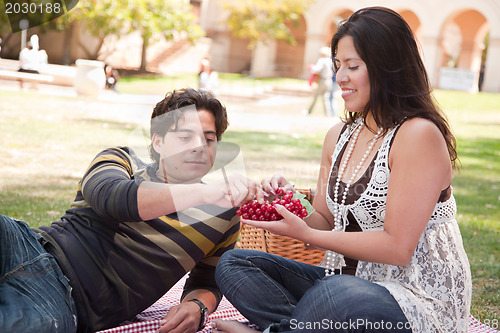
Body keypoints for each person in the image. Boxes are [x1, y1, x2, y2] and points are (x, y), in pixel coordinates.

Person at [214, 7, 471, 333]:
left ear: (388, 68)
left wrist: (309, 236)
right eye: (338, 65)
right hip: (345, 281)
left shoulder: (418, 135)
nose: (340, 77)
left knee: (337, 296)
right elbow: (323, 219)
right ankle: (304, 326)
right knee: (236, 264)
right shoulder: (339, 136)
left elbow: (397, 248)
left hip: (414, 297)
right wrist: (287, 201)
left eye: (353, 66)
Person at [0, 88, 264, 333]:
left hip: (66, 300)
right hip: (25, 244)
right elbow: (113, 199)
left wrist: (197, 307)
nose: (199, 147)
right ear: (158, 142)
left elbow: (208, 280)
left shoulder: (223, 216)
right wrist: (207, 193)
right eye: (185, 137)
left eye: (209, 138)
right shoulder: (120, 159)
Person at [303, 46, 333, 116]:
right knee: (326, 98)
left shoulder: (322, 60)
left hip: (322, 80)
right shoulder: (331, 61)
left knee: (315, 96)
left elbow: (316, 69)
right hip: (329, 81)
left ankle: (309, 111)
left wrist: (311, 67)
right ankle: (328, 114)